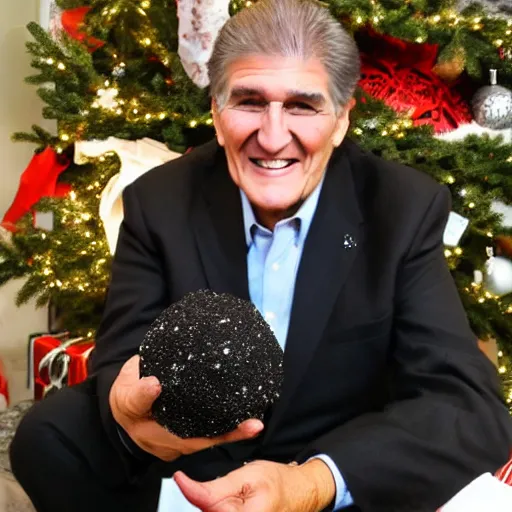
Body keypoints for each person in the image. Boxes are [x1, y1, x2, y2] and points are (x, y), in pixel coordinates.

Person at [10, 0, 512, 510]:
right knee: (49, 434)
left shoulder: (401, 208)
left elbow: (468, 406)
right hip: (188, 461)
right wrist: (128, 413)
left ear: (341, 120)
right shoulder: (159, 200)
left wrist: (310, 484)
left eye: (302, 105)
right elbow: (122, 356)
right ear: (216, 111)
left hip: (326, 468)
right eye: (249, 101)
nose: (273, 138)